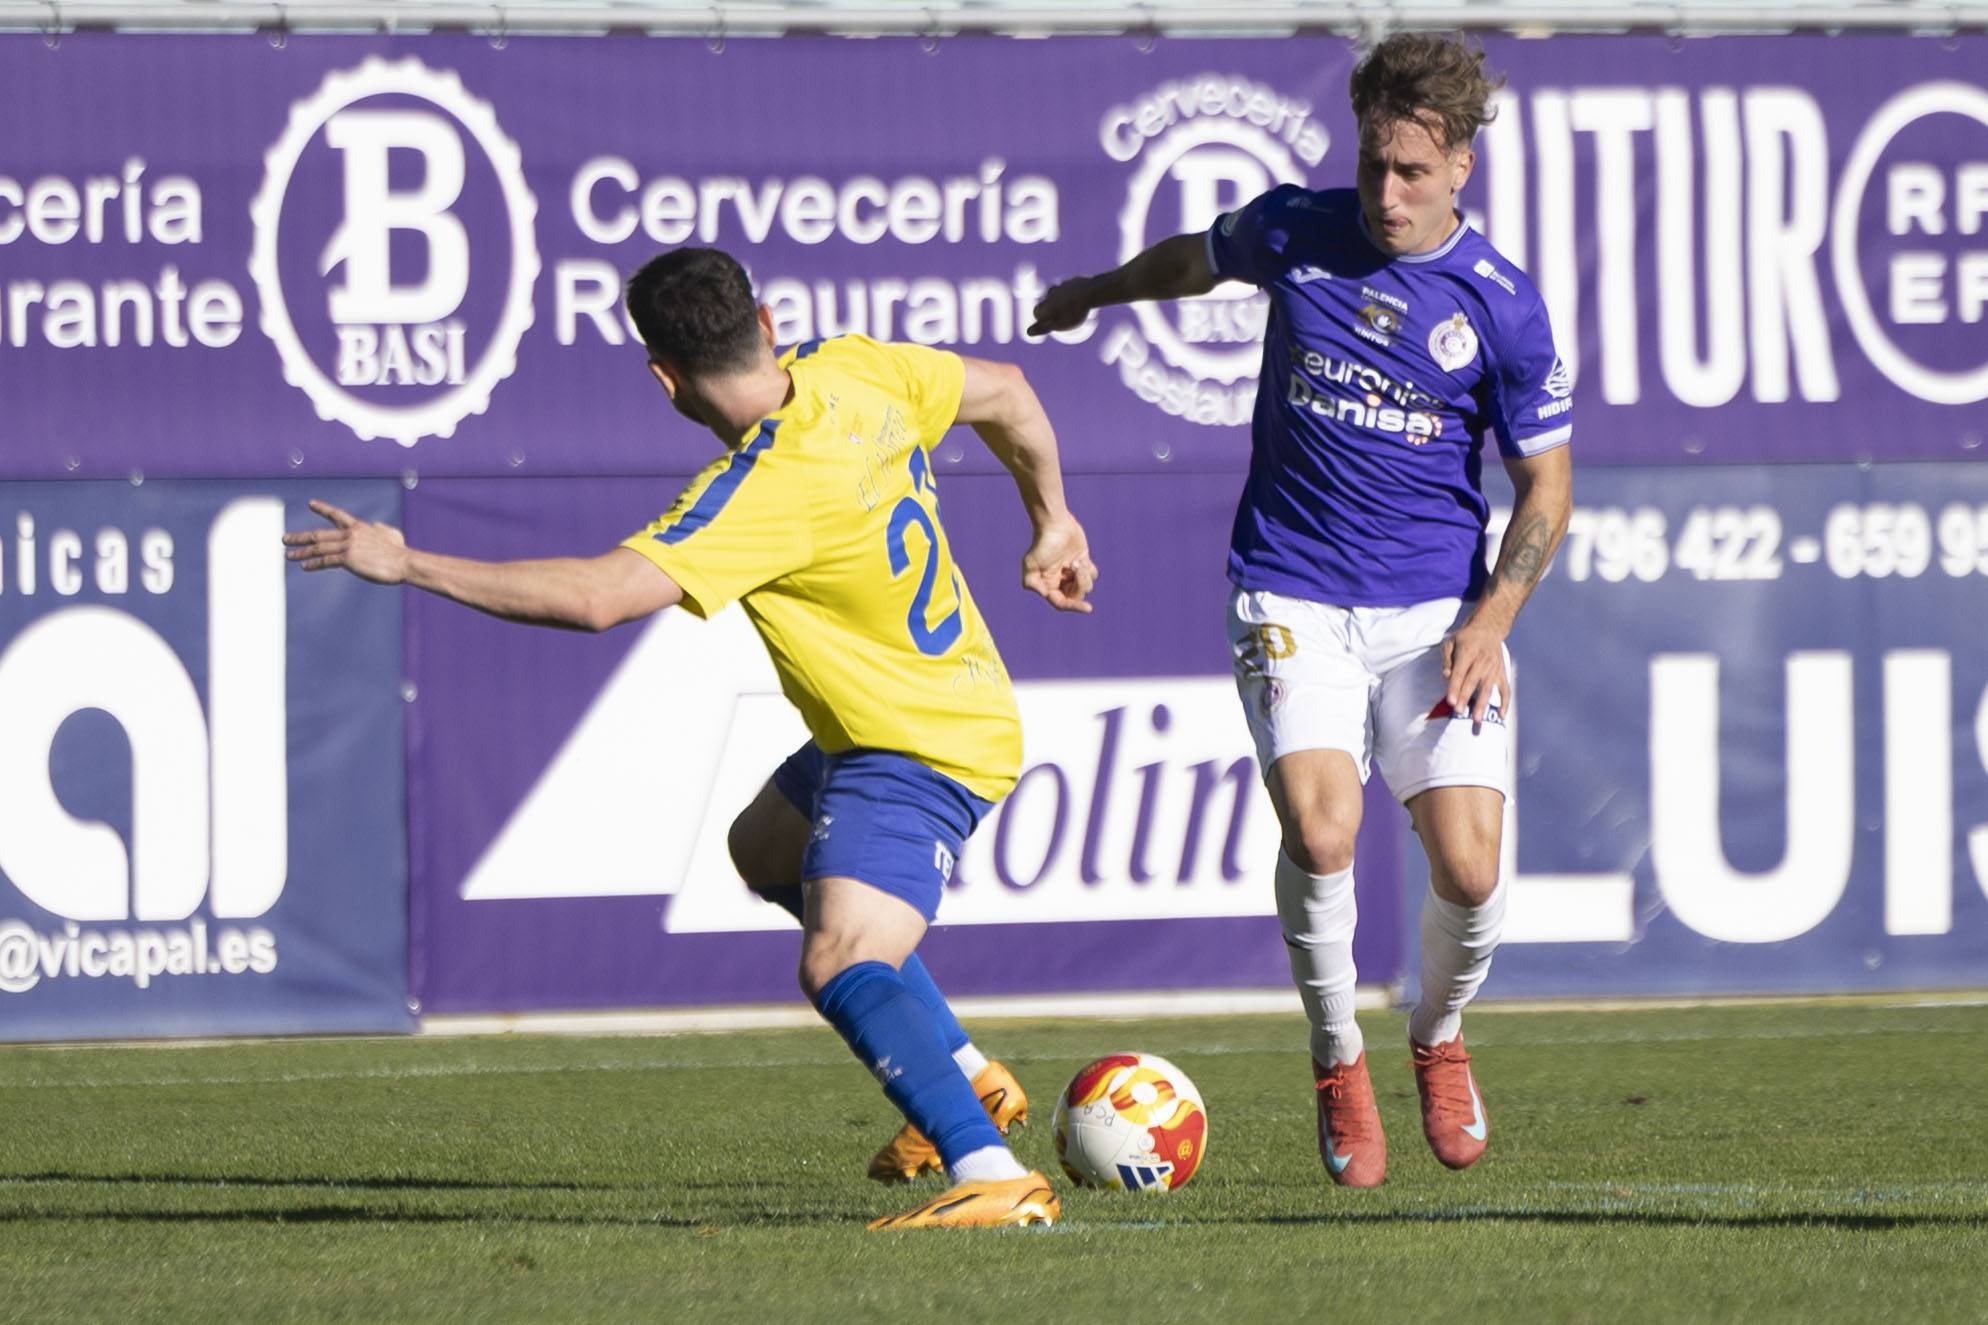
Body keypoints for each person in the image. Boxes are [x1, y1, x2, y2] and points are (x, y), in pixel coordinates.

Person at [287, 246, 1097, 1229]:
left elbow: (595, 599)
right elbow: (1008, 390)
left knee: (841, 959)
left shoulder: (756, 487)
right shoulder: (855, 367)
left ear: (663, 378)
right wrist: (1050, 520)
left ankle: (993, 1173)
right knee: (763, 847)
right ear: (765, 319)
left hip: (915, 745)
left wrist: (407, 560)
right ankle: (971, 1083)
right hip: (923, 712)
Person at [1029, 32, 1572, 1188]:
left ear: (1461, 164)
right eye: (1374, 164)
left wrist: (1491, 620)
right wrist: (1092, 291)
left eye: (1412, 173)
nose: (1385, 193)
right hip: (1290, 585)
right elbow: (1194, 259)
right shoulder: (1296, 227)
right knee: (1322, 832)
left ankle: (1431, 1034)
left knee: (1470, 873)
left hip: (1435, 615)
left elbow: (1547, 487)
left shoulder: (1502, 308)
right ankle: (1336, 1053)